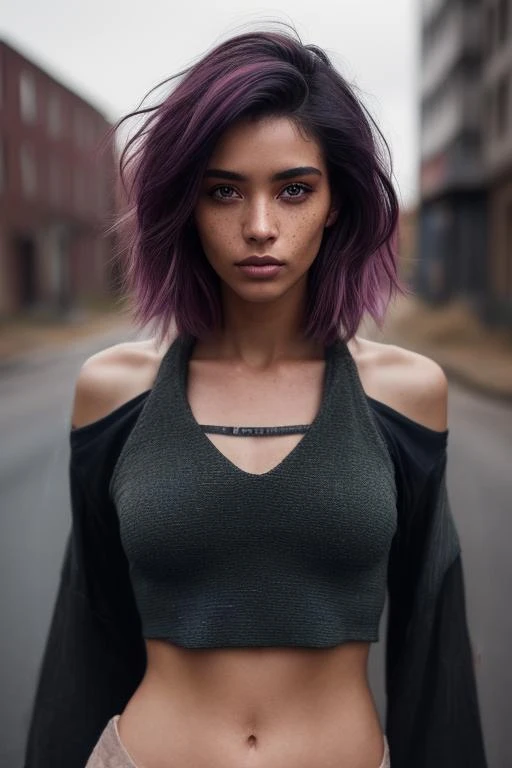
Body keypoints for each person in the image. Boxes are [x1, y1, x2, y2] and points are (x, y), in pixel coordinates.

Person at [24, 27, 487, 768]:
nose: (260, 227)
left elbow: (432, 647)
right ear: (188, 204)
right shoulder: (116, 391)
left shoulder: (406, 392)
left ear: (337, 201)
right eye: (224, 191)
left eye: (294, 188)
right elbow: (87, 630)